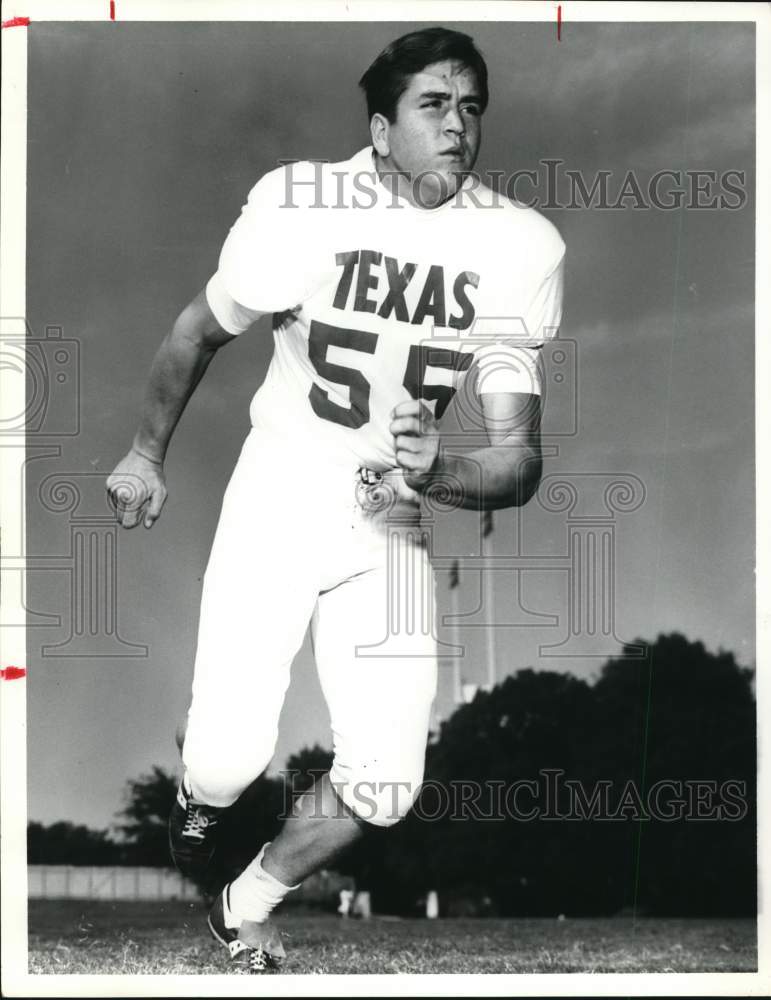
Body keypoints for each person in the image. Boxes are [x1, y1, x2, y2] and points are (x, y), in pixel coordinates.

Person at [107, 26, 564, 973]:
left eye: (471, 107)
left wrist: (438, 470)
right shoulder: (303, 203)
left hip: (390, 519)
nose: (458, 128)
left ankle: (246, 902)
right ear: (380, 126)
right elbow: (198, 332)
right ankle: (205, 804)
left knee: (388, 783)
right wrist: (147, 455)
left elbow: (518, 461)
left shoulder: (517, 246)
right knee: (230, 757)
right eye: (433, 107)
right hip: (280, 489)